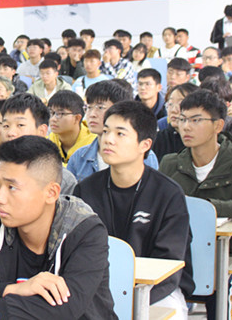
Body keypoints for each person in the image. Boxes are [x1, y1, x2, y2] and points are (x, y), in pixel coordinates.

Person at [0, 135, 116, 319]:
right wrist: (11, 289)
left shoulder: (85, 231)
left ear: (51, 193)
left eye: (12, 187)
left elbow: (64, 310)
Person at [74, 102, 192, 316]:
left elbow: (169, 265)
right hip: (96, 289)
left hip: (154, 290)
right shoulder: (86, 189)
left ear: (144, 145)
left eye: (120, 134)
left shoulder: (168, 194)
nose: (108, 139)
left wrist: (129, 297)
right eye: (106, 131)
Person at [160, 89, 232, 319]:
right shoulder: (171, 163)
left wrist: (207, 207)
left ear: (218, 125)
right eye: (183, 119)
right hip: (186, 254)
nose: (186, 127)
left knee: (225, 288)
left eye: (196, 120)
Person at [0, 93, 78, 222]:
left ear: (42, 131)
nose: (11, 133)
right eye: (6, 126)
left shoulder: (63, 180)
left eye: (20, 125)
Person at [68, 81, 159, 182]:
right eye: (89, 107)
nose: (92, 114)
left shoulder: (143, 155)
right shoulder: (79, 157)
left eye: (100, 107)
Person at [152, 84, 200, 163]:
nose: (173, 110)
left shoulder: (204, 139)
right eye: (170, 104)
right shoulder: (158, 140)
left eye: (180, 104)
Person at [47, 91, 96, 165]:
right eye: (51, 113)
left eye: (60, 114)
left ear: (77, 118)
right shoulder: (49, 141)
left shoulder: (93, 144)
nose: (53, 119)